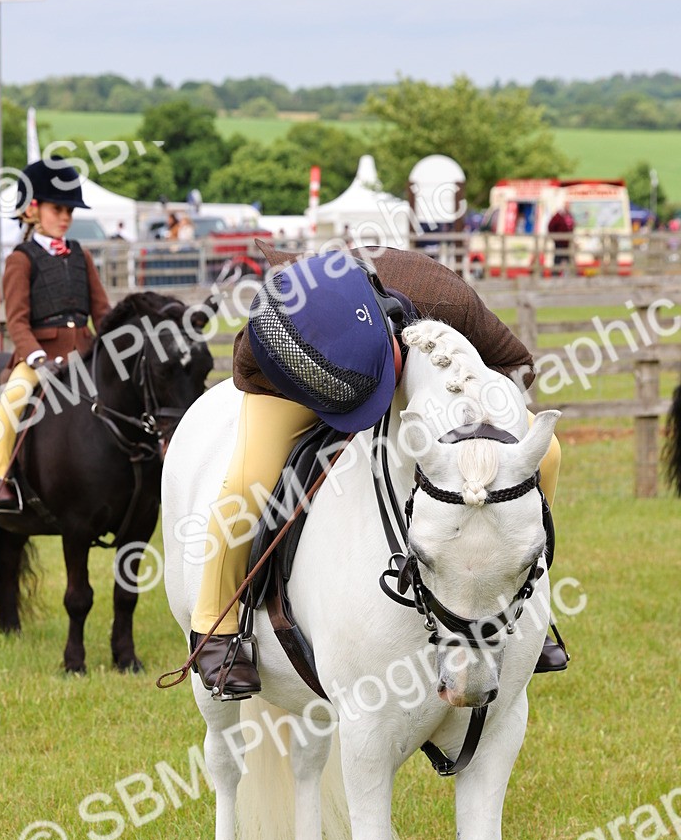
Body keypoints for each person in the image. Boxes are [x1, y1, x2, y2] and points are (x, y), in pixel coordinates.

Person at [189, 240, 565, 698]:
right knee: (247, 482)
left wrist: (472, 427)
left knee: (548, 454)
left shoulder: (445, 299)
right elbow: (251, 382)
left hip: (422, 381)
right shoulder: (267, 335)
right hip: (297, 384)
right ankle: (215, 626)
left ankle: (524, 597)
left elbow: (516, 366)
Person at [0, 159, 111, 513]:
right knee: (12, 400)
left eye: (69, 210)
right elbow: (18, 322)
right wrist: (37, 358)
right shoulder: (20, 260)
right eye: (58, 209)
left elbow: (101, 313)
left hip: (85, 354)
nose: (66, 217)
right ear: (33, 209)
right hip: (39, 357)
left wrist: (115, 343)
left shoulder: (81, 255)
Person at [548, 206, 575, 276]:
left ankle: (570, 275)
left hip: (567, 242)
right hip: (560, 242)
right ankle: (555, 275)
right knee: (558, 259)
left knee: (568, 259)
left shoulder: (570, 216)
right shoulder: (557, 217)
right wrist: (555, 238)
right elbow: (550, 226)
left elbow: (572, 226)